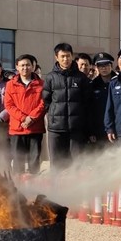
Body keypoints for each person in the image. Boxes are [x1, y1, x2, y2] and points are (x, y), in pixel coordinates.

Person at [41, 42, 93, 172]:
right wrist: (54, 115)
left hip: (76, 129)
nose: (66, 59)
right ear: (56, 57)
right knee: (57, 166)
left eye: (68, 56)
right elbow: (46, 101)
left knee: (76, 165)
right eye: (62, 56)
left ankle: (75, 191)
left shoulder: (81, 78)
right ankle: (56, 191)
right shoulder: (51, 78)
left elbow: (88, 103)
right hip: (56, 129)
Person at [4, 54, 46, 175]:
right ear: (17, 67)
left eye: (28, 65)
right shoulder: (10, 84)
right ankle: (18, 188)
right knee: (18, 162)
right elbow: (9, 105)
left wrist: (32, 118)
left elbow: (43, 104)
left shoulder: (41, 84)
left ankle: (34, 188)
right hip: (17, 128)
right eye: (22, 65)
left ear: (33, 67)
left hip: (35, 128)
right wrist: (23, 118)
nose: (25, 68)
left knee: (34, 161)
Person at [90, 52, 116, 151]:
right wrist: (91, 131)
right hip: (99, 129)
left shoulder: (119, 82)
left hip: (116, 127)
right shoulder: (93, 85)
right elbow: (90, 109)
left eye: (106, 65)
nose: (104, 68)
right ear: (97, 68)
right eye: (100, 66)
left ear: (111, 66)